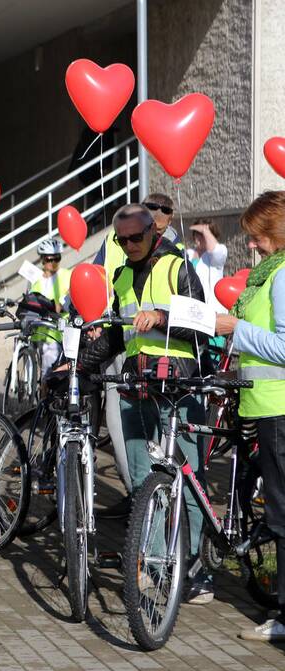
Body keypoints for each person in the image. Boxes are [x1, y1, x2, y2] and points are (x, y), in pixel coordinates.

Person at [79, 203, 213, 604]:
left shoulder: (178, 268)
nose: (130, 245)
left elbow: (202, 328)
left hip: (179, 389)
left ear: (154, 233)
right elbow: (119, 336)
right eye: (122, 241)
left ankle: (195, 568)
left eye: (137, 237)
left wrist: (161, 315)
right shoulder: (119, 277)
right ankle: (155, 563)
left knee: (185, 481)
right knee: (142, 481)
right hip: (135, 388)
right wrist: (78, 362)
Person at [214, 190, 285, 641]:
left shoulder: (281, 276)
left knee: (281, 517)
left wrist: (237, 330)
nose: (251, 245)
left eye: (257, 237)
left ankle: (282, 615)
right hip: (264, 406)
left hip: (279, 408)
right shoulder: (267, 274)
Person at [27, 238, 71, 371]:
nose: (52, 263)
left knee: (48, 371)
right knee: (32, 370)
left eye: (56, 259)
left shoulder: (66, 275)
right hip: (37, 330)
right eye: (49, 259)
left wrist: (60, 305)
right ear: (42, 259)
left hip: (55, 332)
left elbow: (72, 295)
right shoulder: (36, 279)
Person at [187, 219, 229, 313]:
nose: (199, 237)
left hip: (212, 310)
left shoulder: (220, 252)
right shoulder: (188, 253)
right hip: (192, 307)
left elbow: (215, 250)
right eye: (197, 233)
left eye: (203, 234)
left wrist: (205, 230)